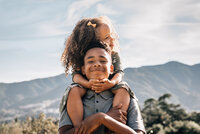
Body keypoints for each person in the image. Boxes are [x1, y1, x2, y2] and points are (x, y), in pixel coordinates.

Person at [61, 16, 135, 128]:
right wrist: (87, 84)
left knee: (123, 88)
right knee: (73, 90)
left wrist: (111, 83)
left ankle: (117, 122)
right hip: (87, 84)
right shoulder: (83, 55)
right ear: (93, 42)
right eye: (106, 37)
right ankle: (79, 127)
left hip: (109, 83)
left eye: (111, 35)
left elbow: (119, 72)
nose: (112, 39)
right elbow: (75, 76)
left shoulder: (114, 54)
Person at [59, 41, 146, 134]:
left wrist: (102, 119)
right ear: (83, 69)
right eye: (91, 61)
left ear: (111, 69)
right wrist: (100, 118)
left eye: (103, 61)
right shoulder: (73, 96)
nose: (97, 64)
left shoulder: (125, 95)